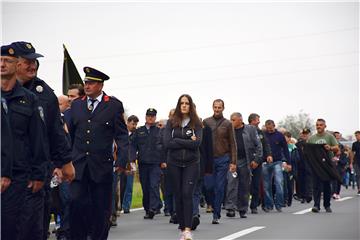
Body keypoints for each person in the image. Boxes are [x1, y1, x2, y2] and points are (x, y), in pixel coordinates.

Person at [12, 41, 75, 240]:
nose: (33, 66)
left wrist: (64, 162)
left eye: (35, 62)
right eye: (27, 62)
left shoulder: (43, 93)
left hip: (36, 170)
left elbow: (55, 131)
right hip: (7, 168)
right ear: (14, 63)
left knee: (34, 226)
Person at [68, 66, 129, 239]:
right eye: (86, 82)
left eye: (91, 83)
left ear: (100, 85)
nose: (87, 86)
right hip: (78, 166)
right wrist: (65, 160)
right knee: (76, 204)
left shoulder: (113, 105)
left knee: (101, 210)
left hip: (101, 167)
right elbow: (69, 136)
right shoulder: (77, 105)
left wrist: (122, 161)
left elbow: (122, 136)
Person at [1, 43, 48, 240]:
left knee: (14, 229)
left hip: (18, 176)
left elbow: (38, 139)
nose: (3, 65)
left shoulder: (28, 99)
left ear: (17, 64)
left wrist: (38, 174)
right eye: (0, 61)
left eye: (8, 61)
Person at [163, 94, 203, 240]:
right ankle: (181, 226)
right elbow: (167, 143)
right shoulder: (171, 123)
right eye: (182, 103)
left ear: (190, 105)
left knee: (187, 194)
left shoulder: (197, 123)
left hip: (192, 163)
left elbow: (197, 144)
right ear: (179, 105)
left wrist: (178, 140)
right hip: (174, 163)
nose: (184, 105)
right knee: (178, 195)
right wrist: (187, 139)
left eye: (187, 103)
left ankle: (187, 229)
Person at [203, 99, 237, 224]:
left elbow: (233, 143)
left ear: (223, 108)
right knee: (208, 186)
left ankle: (216, 214)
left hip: (223, 158)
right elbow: (202, 142)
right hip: (208, 160)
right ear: (212, 107)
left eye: (219, 107)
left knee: (219, 187)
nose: (217, 109)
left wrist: (233, 162)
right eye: (215, 107)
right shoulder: (206, 122)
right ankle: (211, 203)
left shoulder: (228, 124)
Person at [225, 112, 262, 218]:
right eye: (230, 120)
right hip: (233, 161)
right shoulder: (229, 130)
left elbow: (258, 146)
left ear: (240, 120)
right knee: (231, 184)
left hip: (246, 161)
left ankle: (242, 209)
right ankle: (230, 208)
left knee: (244, 186)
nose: (231, 122)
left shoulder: (250, 129)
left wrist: (256, 160)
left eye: (233, 120)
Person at [130, 108, 164, 219]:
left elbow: (163, 147)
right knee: (145, 187)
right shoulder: (139, 131)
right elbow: (132, 146)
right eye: (149, 115)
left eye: (153, 116)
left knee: (154, 185)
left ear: (155, 117)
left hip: (155, 163)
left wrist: (163, 161)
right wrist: (132, 160)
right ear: (145, 117)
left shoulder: (159, 131)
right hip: (143, 163)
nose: (150, 117)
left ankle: (152, 208)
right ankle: (147, 208)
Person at [307, 118, 339, 213]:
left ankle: (327, 205)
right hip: (316, 164)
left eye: (321, 125)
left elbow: (336, 148)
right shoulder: (312, 138)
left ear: (325, 126)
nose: (318, 126)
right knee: (316, 185)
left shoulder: (329, 137)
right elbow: (308, 150)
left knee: (326, 185)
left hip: (327, 164)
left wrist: (330, 147)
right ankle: (316, 205)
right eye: (317, 125)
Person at [263, 119, 290, 212]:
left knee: (279, 183)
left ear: (274, 126)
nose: (269, 130)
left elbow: (286, 149)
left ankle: (279, 204)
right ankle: (269, 205)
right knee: (266, 185)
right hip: (265, 163)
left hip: (277, 162)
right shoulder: (263, 135)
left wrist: (289, 163)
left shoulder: (279, 135)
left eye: (271, 128)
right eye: (267, 128)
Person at [247, 113, 272, 214]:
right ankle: (242, 205)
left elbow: (265, 145)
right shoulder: (245, 130)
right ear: (252, 120)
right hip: (247, 161)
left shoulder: (260, 132)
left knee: (257, 184)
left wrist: (268, 155)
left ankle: (254, 206)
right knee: (245, 185)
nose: (259, 121)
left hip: (258, 161)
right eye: (257, 120)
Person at [295, 128, 313, 204]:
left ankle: (308, 195)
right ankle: (302, 196)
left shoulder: (312, 143)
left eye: (306, 134)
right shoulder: (298, 144)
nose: (304, 135)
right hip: (300, 164)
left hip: (309, 164)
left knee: (309, 180)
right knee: (301, 180)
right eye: (303, 134)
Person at [350, 131, 360, 195]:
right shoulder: (354, 144)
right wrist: (351, 162)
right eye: (355, 135)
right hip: (356, 161)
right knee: (358, 175)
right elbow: (352, 153)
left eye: (357, 135)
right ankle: (359, 189)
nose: (356, 136)